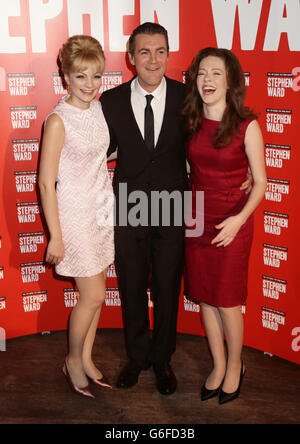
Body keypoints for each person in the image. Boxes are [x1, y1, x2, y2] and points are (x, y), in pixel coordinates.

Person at [101, 22, 188, 395]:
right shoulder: (111, 101)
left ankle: (162, 359)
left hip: (173, 205)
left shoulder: (189, 97)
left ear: (168, 54)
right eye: (145, 52)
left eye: (160, 51)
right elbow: (96, 153)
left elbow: (207, 146)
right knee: (132, 285)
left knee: (168, 287)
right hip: (129, 206)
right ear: (131, 57)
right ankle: (137, 358)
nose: (153, 59)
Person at [182, 47, 267, 404]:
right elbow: (189, 168)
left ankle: (236, 365)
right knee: (204, 296)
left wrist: (238, 220)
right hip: (197, 219)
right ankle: (217, 365)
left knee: (228, 301)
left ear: (230, 80)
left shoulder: (247, 125)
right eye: (202, 73)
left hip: (233, 222)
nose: (207, 80)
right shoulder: (189, 120)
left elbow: (261, 182)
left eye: (216, 73)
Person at [39, 35, 114, 399]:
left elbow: (100, 155)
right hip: (74, 216)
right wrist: (55, 235)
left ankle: (85, 356)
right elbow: (44, 182)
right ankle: (71, 359)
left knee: (97, 297)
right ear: (65, 76)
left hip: (101, 211)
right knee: (93, 294)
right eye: (81, 77)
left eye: (96, 77)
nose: (89, 85)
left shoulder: (98, 110)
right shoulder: (57, 120)